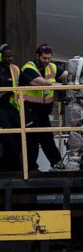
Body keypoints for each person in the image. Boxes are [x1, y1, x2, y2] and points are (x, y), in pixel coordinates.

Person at [18, 44, 69, 171]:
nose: (47, 61)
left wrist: (67, 76)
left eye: (49, 58)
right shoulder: (28, 67)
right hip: (30, 109)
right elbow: (41, 82)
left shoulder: (51, 66)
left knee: (47, 138)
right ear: (37, 56)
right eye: (44, 58)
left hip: (43, 110)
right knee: (32, 139)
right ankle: (31, 168)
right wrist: (55, 83)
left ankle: (56, 163)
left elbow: (65, 74)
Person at [0, 42, 21, 171]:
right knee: (7, 135)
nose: (9, 59)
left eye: (11, 57)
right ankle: (9, 165)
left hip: (9, 105)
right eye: (6, 56)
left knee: (19, 132)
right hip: (0, 106)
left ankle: (16, 164)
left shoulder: (14, 69)